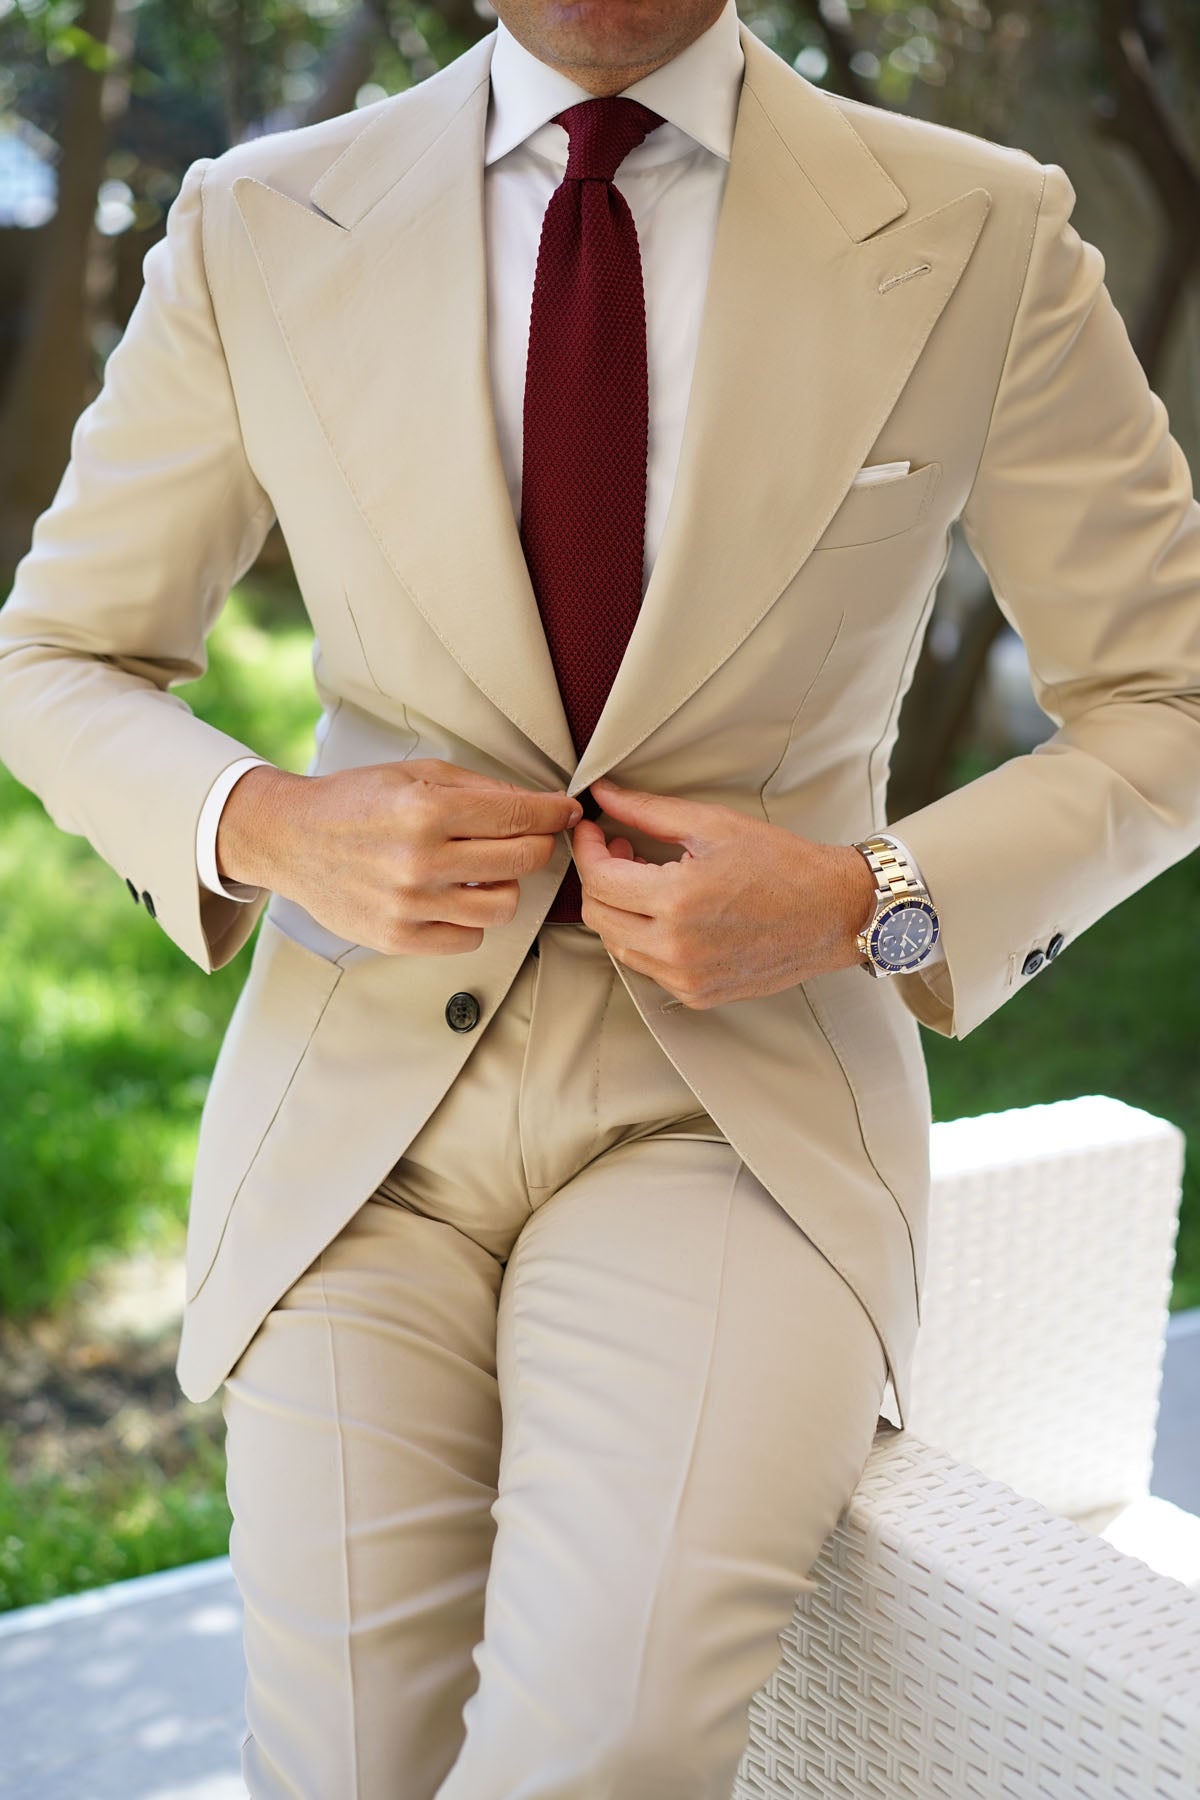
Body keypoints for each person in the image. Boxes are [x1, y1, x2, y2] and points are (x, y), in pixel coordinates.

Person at [1, 0, 1198, 1792]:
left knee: (607, 1752)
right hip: (357, 1120)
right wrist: (268, 819)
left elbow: (1166, 694)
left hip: (740, 1108)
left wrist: (868, 895)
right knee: (339, 1770)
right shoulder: (257, 221)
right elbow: (58, 655)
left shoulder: (978, 227)